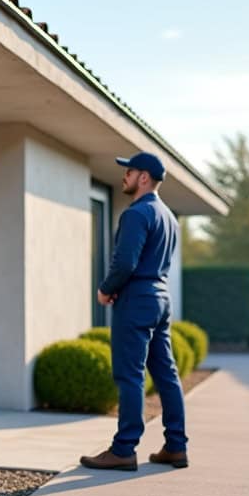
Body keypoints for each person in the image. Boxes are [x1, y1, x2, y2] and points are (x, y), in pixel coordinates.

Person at [80, 151, 189, 471]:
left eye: (129, 171)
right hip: (160, 300)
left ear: (143, 178)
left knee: (129, 375)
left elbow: (125, 262)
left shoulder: (137, 213)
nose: (124, 176)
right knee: (167, 375)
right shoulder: (169, 217)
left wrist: (106, 289)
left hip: (136, 301)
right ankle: (176, 447)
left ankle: (123, 449)